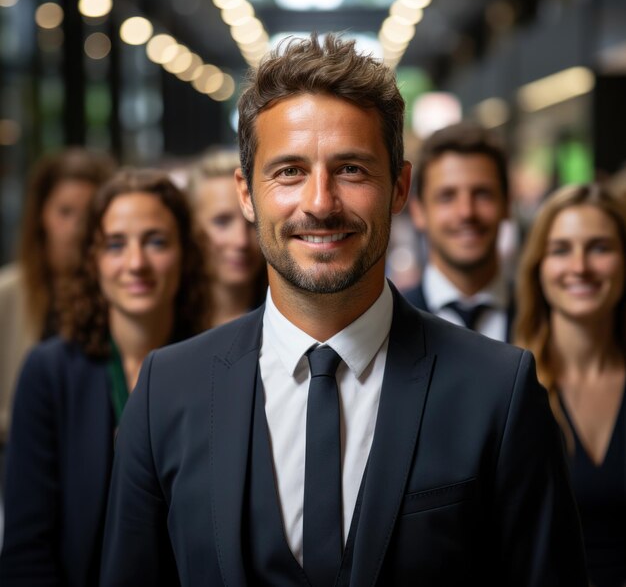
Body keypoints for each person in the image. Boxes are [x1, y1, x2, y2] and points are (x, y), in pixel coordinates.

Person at [100, 34, 586, 586]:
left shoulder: (499, 391)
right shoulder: (168, 390)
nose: (320, 203)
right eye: (289, 171)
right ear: (245, 192)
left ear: (400, 187)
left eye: (351, 169)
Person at [0, 170, 209, 586]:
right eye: (115, 245)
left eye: (156, 241)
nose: (136, 263)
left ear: (185, 253)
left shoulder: (217, 369)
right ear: (93, 259)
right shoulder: (50, 373)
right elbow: (26, 548)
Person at [515, 183, 626, 587]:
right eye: (561, 249)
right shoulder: (509, 388)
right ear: (538, 265)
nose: (580, 267)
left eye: (599, 247)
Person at [0, 147, 114, 444]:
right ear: (41, 216)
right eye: (65, 212)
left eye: (89, 213)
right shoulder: (8, 294)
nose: (77, 227)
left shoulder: (117, 293)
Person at [404, 122, 515, 341]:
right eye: (447, 196)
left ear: (507, 205)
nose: (466, 212)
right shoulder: (389, 325)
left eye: (483, 194)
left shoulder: (547, 317)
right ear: (418, 211)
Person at [187, 147, 267, 327]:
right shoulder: (168, 322)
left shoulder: (287, 324)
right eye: (222, 222)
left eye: (252, 222)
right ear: (192, 227)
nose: (241, 241)